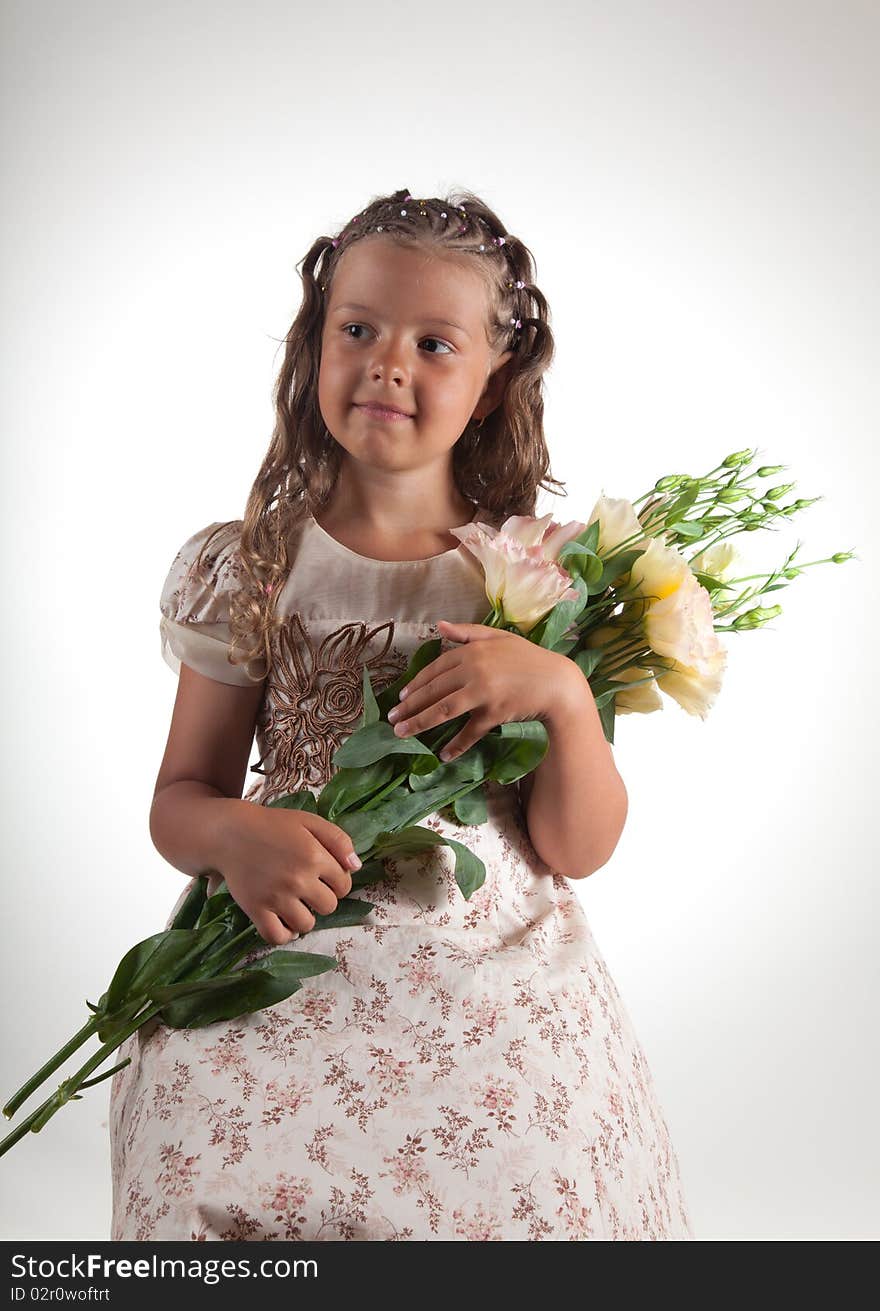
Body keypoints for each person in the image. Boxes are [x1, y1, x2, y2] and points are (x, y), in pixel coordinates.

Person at [108, 187, 694, 1241]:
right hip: (284, 941)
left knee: (523, 1153)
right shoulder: (246, 569)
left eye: (433, 343)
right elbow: (179, 799)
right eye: (359, 330)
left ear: (492, 379)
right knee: (196, 1112)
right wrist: (236, 832)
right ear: (314, 346)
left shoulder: (530, 578)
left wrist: (562, 695)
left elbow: (577, 845)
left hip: (483, 971)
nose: (388, 363)